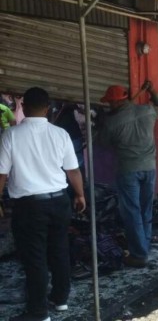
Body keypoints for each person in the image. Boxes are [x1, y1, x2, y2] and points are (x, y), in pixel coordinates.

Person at [0, 87, 86, 321]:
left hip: (29, 207)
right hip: (59, 201)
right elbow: (73, 169)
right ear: (47, 109)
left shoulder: (11, 135)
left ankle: (38, 312)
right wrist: (80, 195)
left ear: (24, 107)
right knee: (59, 250)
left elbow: (1, 175)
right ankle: (60, 300)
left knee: (34, 256)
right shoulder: (60, 134)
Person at [98, 81, 158, 268]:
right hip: (150, 168)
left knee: (132, 212)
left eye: (110, 103)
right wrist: (152, 90)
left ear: (114, 102)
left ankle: (138, 254)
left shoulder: (112, 122)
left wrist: (103, 121)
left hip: (128, 171)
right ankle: (145, 245)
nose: (108, 105)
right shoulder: (147, 111)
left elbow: (103, 142)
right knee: (145, 208)